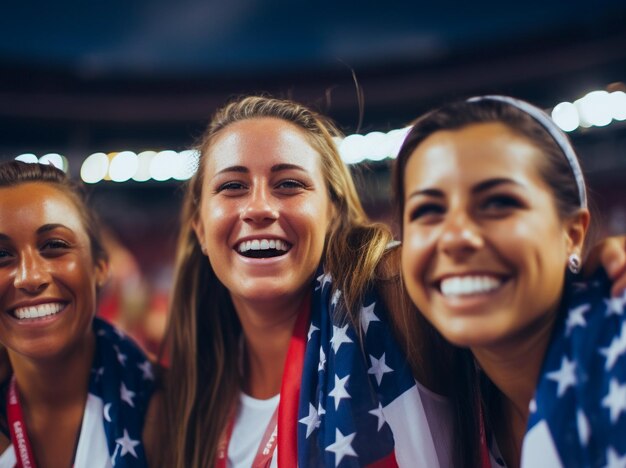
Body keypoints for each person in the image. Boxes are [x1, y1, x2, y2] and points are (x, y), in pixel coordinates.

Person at [161, 96, 459, 467]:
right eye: (232, 186)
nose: (258, 208)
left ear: (333, 215)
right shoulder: (183, 401)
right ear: (201, 229)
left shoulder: (391, 289)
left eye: (288, 184)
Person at [394, 95, 626, 467]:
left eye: (499, 202)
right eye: (429, 210)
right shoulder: (451, 395)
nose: (456, 236)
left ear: (572, 233)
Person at [0, 161, 158, 468]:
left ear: (100, 267)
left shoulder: (178, 408)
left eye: (54, 245)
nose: (30, 277)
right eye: (1, 255)